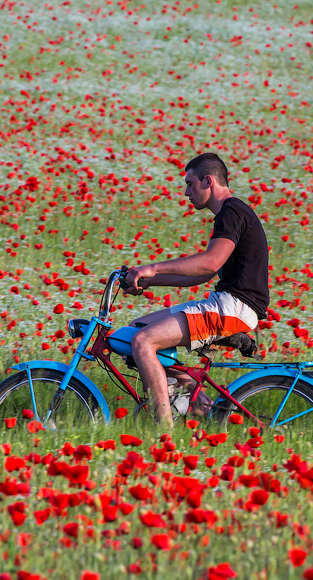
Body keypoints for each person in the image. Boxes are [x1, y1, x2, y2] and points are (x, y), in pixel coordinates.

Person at [123, 153, 269, 428]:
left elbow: (210, 261)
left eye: (190, 184)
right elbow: (204, 274)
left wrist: (153, 267)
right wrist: (149, 282)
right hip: (225, 303)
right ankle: (200, 405)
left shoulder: (231, 212)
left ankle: (164, 434)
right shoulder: (231, 214)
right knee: (137, 328)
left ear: (208, 181)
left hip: (233, 308)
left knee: (143, 342)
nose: (186, 192)